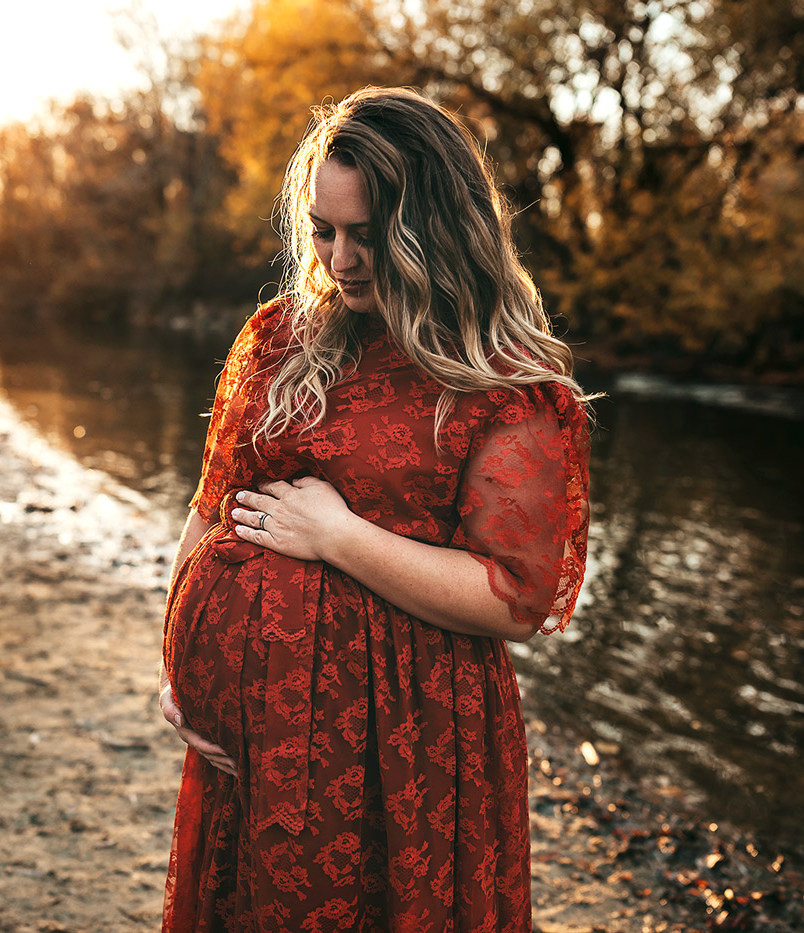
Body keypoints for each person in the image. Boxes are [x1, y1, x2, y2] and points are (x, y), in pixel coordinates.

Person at [157, 86, 592, 932]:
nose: (340, 258)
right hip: (254, 747)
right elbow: (212, 508)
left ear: (434, 227)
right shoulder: (277, 338)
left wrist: (339, 537)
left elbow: (516, 596)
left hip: (412, 747)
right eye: (324, 231)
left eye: (369, 235)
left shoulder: (506, 383)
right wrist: (181, 669)